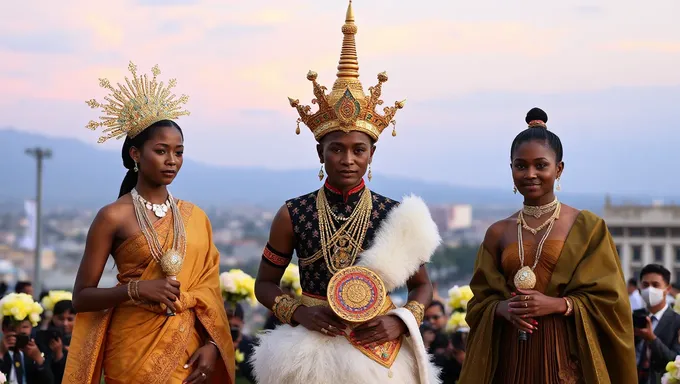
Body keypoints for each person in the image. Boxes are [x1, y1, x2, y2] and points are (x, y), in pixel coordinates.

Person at [251, 3, 441, 383]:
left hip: (379, 352)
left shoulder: (393, 214)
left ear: (372, 154)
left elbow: (423, 286)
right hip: (309, 353)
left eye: (359, 149)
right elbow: (264, 284)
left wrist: (401, 323)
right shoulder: (293, 213)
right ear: (320, 152)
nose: (348, 159)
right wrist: (300, 312)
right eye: (336, 148)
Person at [63, 62, 235, 384]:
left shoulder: (195, 217)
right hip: (131, 354)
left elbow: (208, 292)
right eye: (161, 151)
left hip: (190, 350)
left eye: (178, 152)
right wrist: (136, 289)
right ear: (136, 154)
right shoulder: (112, 216)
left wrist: (212, 344)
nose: (172, 160)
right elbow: (81, 297)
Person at [459, 108, 637, 383]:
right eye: (521, 166)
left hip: (564, 356)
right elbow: (478, 304)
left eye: (540, 165)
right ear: (511, 169)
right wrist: (503, 309)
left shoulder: (587, 227)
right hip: (511, 357)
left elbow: (612, 301)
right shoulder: (498, 232)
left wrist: (558, 305)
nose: (530, 174)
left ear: (559, 169)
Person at [634, 264, 680, 383]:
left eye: (655, 285)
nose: (650, 290)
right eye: (645, 285)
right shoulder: (633, 317)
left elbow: (675, 361)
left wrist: (652, 339)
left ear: (667, 289)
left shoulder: (677, 321)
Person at [0, 317, 54, 384]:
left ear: (31, 327)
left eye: (25, 327)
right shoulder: (1, 351)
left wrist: (39, 360)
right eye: (13, 328)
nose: (19, 331)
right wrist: (1, 354)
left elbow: (49, 381)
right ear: (4, 328)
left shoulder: (38, 349)